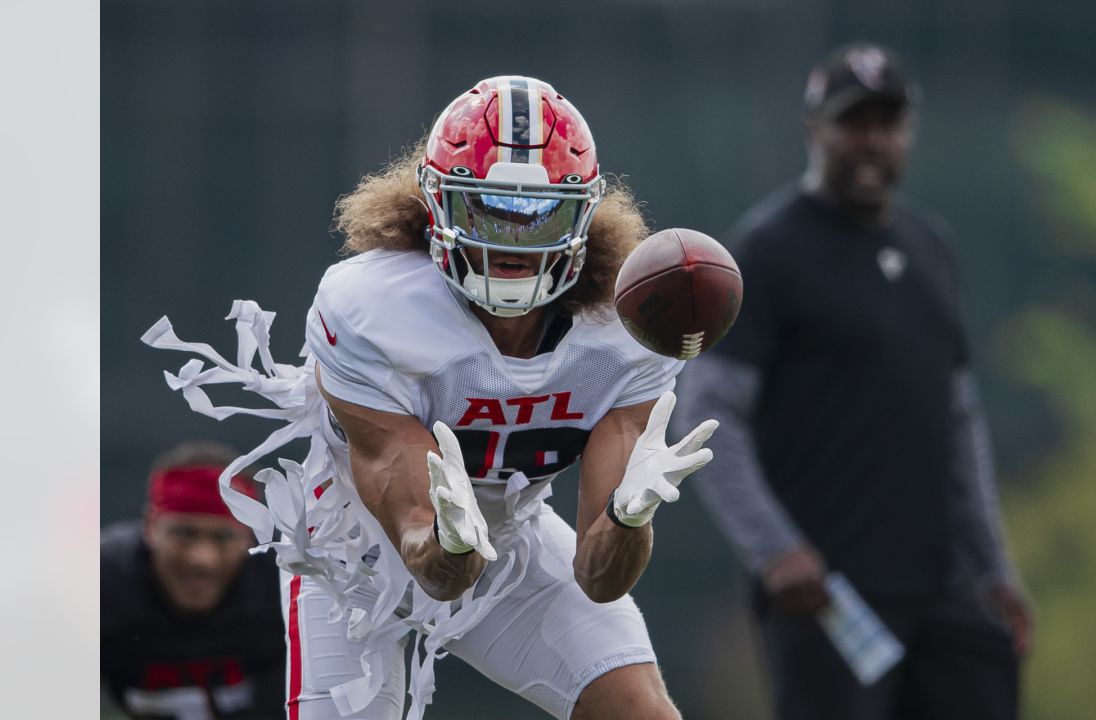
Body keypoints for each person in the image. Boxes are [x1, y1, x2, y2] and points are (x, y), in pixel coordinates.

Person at [143, 75, 718, 720]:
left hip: (513, 534)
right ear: (435, 205)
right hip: (355, 554)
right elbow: (435, 563)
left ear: (583, 216)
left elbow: (599, 577)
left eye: (538, 218)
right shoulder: (373, 307)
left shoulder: (626, 328)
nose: (511, 245)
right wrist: (452, 539)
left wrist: (628, 519)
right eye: (487, 211)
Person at [671, 43, 1034, 719]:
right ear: (815, 130)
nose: (872, 142)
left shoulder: (931, 247)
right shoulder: (766, 253)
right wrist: (775, 550)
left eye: (887, 124)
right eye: (853, 123)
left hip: (945, 590)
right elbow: (706, 415)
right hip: (832, 599)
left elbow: (958, 422)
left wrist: (995, 569)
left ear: (908, 133)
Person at [101, 441, 285, 720]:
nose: (202, 560)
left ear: (250, 535)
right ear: (151, 528)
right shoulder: (104, 583)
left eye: (223, 537)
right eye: (184, 534)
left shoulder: (284, 581)